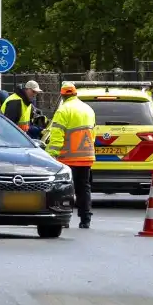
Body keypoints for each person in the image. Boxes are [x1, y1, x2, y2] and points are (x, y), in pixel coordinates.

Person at [47, 82, 96, 228]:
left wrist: (51, 155)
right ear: (75, 93)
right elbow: (93, 133)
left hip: (68, 157)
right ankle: (85, 219)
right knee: (84, 188)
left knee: (65, 188)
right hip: (86, 156)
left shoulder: (63, 110)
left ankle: (64, 219)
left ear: (62, 95)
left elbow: (57, 135)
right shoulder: (88, 109)